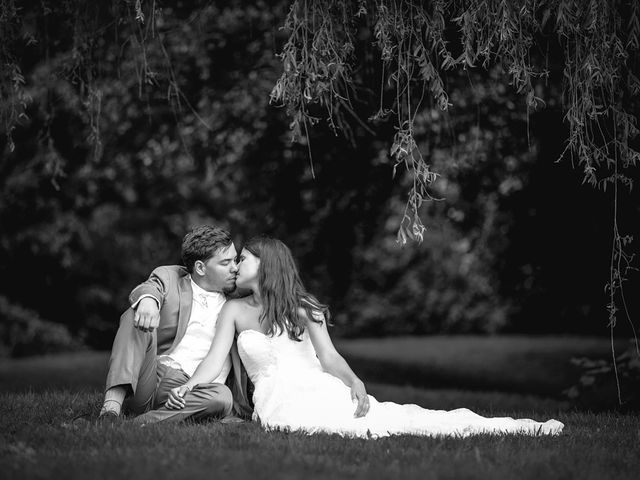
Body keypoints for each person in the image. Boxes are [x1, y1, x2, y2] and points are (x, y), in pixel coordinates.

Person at [162, 235, 564, 438]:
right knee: (296, 422)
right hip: (274, 394)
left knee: (397, 420)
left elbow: (330, 357)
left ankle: (519, 427)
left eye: (244, 258)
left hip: (315, 384)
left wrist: (354, 382)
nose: (236, 264)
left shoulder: (304, 307)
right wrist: (190, 387)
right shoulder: (234, 310)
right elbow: (215, 361)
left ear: (265, 266)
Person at [98, 225, 251, 423]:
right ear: (200, 268)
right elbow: (151, 287)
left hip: (196, 389)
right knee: (132, 315)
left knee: (221, 397)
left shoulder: (240, 298)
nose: (235, 267)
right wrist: (148, 301)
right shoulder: (172, 278)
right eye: (226, 262)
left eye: (236, 259)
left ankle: (140, 423)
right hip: (152, 378)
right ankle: (110, 409)